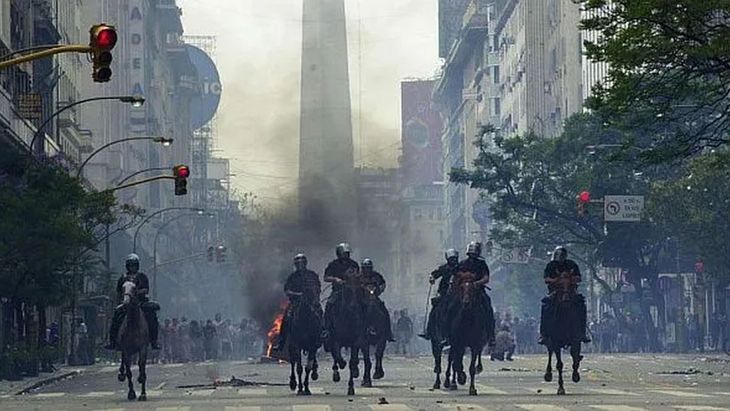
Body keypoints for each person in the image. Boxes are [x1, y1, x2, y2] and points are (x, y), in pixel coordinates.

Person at [105, 254, 161, 350]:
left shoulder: (142, 277)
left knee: (152, 317)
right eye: (130, 265)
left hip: (140, 303)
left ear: (137, 266)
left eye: (134, 265)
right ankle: (112, 341)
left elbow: (146, 290)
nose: (132, 267)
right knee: (116, 317)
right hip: (125, 303)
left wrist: (135, 293)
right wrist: (121, 301)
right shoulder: (122, 278)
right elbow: (118, 292)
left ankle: (153, 341)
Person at [539, 246, 590, 345]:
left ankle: (582, 332)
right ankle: (544, 334)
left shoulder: (572, 264)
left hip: (571, 290)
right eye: (559, 255)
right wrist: (556, 280)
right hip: (555, 291)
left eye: (563, 255)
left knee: (581, 306)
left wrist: (570, 278)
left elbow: (579, 277)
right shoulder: (551, 265)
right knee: (545, 307)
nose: (561, 256)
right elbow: (546, 279)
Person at [272, 253, 323, 351]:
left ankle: (323, 334)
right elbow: (287, 290)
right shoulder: (292, 277)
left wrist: (314, 295)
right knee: (286, 317)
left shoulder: (312, 275)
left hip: (311, 301)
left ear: (305, 263)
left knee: (320, 313)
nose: (300, 266)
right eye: (298, 264)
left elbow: (318, 287)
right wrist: (297, 294)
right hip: (296, 302)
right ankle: (281, 341)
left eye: (302, 263)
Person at [449, 241, 495, 346]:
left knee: (488, 307)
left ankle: (491, 335)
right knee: (450, 307)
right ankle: (447, 333)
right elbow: (455, 275)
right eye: (471, 254)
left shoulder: (481, 264)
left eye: (474, 254)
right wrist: (455, 284)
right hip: (463, 291)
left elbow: (486, 278)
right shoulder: (462, 263)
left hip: (478, 291)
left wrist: (477, 283)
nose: (472, 256)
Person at [323, 243, 359, 344]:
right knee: (329, 305)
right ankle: (326, 330)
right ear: (339, 253)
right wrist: (335, 279)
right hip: (338, 291)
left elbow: (358, 275)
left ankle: (367, 328)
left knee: (364, 305)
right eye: (345, 253)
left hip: (352, 291)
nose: (347, 255)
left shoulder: (353, 264)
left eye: (348, 253)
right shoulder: (333, 265)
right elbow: (326, 277)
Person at [423, 249, 459, 342]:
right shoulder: (444, 268)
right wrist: (432, 278)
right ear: (448, 259)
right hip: (444, 295)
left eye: (454, 258)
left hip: (459, 294)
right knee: (435, 310)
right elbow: (434, 274)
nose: (453, 260)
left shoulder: (461, 268)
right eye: (451, 259)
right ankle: (429, 331)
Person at [359, 258, 395, 341]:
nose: (367, 270)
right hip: (361, 300)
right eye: (366, 268)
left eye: (369, 268)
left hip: (374, 298)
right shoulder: (359, 276)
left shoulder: (376, 276)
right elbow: (354, 285)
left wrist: (379, 290)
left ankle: (388, 333)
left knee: (384, 312)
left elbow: (383, 284)